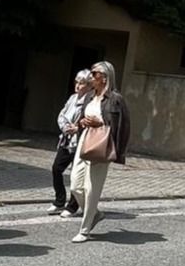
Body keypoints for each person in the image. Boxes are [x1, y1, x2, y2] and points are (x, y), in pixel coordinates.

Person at [69, 61, 131, 243]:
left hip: (102, 143)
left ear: (105, 77)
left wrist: (117, 151)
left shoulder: (115, 99)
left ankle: (85, 229)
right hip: (85, 140)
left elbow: (123, 126)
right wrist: (82, 122)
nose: (91, 77)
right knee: (75, 185)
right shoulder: (89, 96)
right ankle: (95, 214)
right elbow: (82, 117)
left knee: (91, 189)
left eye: (94, 74)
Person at [48, 71, 93, 217]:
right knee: (56, 168)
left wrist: (77, 128)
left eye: (81, 83)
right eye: (76, 82)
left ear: (89, 86)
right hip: (66, 140)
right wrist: (65, 127)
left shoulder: (90, 101)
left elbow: (91, 120)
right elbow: (62, 115)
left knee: (76, 176)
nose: (78, 86)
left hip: (79, 142)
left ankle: (72, 206)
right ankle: (59, 200)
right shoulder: (73, 98)